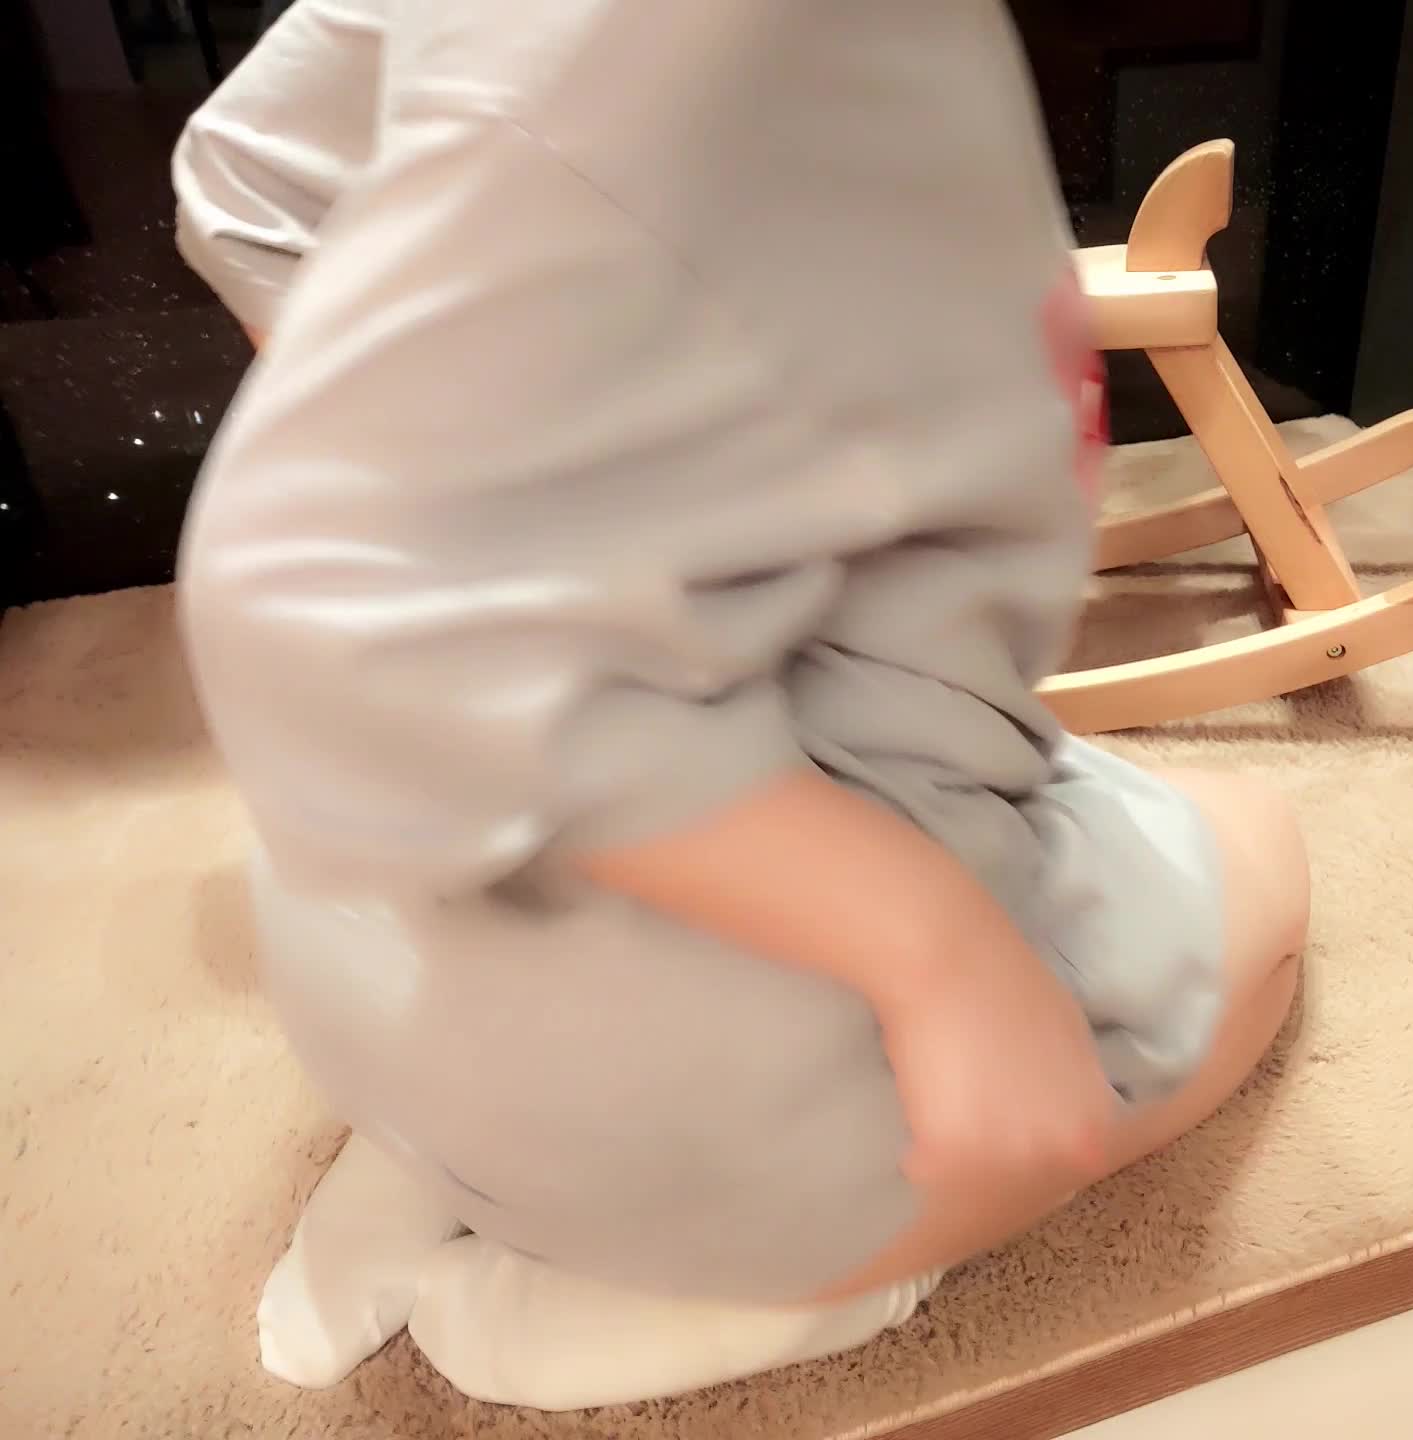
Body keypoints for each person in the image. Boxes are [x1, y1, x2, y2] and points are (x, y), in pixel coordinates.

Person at [172, 0, 1309, 1411]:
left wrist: (468, 447)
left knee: (1109, 813)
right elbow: (331, 595)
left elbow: (250, 179)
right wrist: (933, 949)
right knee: (1259, 873)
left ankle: (422, 1156)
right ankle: (676, 1294)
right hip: (713, 1055)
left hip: (379, 940)